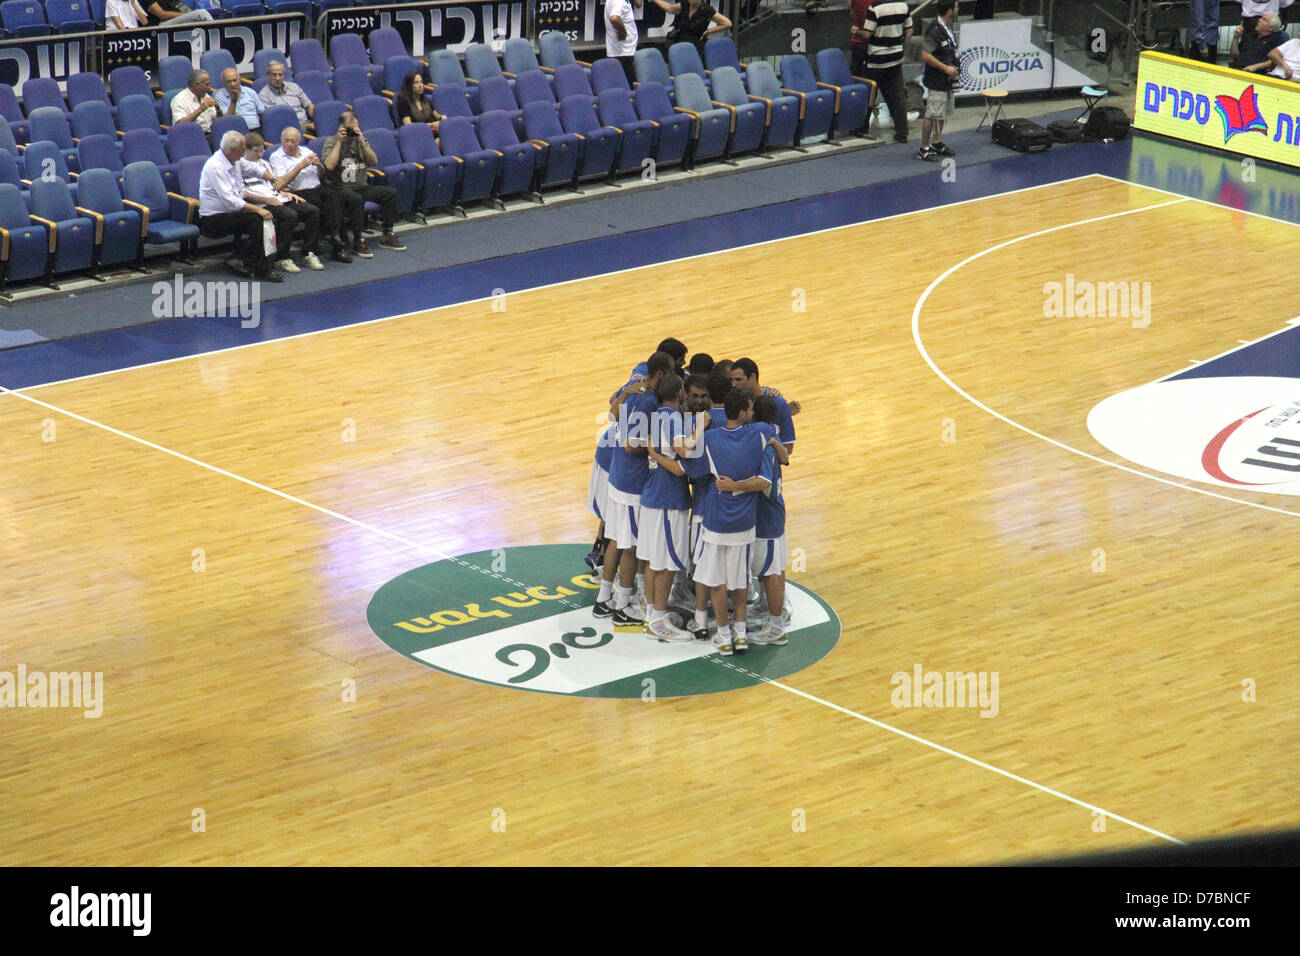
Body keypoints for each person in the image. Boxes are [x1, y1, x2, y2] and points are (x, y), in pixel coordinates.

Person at [594, 350, 674, 624]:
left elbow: (612, 412)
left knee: (617, 538)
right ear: (662, 372)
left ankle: (604, 598)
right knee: (631, 547)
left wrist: (626, 393)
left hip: (618, 475)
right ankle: (623, 606)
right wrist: (656, 447)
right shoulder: (650, 401)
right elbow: (631, 443)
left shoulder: (635, 390)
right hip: (632, 481)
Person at [694, 388, 772, 655]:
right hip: (744, 523)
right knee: (740, 581)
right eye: (749, 409)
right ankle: (741, 634)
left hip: (716, 521)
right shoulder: (761, 434)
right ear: (742, 413)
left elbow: (689, 460)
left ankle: (724, 636)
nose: (752, 413)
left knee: (717, 581)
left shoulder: (710, 438)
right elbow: (778, 455)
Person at [638, 373, 700, 642]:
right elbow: (680, 458)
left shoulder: (653, 415)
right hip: (667, 499)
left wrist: (654, 454)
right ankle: (657, 621)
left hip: (652, 496)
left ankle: (653, 615)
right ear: (680, 393)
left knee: (655, 561)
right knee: (666, 564)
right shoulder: (674, 419)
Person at [198, 130, 281, 283]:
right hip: (214, 218)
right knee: (261, 221)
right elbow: (230, 200)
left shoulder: (234, 159)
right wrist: (258, 209)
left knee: (266, 221)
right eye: (243, 148)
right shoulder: (216, 167)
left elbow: (253, 168)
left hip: (231, 213)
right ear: (234, 150)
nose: (245, 150)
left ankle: (247, 260)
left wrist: (273, 178)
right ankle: (255, 264)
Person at [320, 110, 405, 257]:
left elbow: (373, 161)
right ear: (341, 128)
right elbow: (329, 166)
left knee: (390, 193)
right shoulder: (332, 142)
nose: (353, 131)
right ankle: (358, 239)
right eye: (349, 129)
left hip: (362, 187)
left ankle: (387, 234)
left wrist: (362, 141)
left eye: (355, 127)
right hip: (341, 188)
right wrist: (340, 142)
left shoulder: (360, 141)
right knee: (356, 199)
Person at [239, 131, 323, 273]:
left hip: (276, 198)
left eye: (261, 151)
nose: (260, 154)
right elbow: (242, 193)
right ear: (246, 150)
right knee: (289, 215)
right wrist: (267, 199)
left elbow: (273, 186)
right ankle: (282, 258)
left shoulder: (264, 163)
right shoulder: (239, 167)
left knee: (311, 210)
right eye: (256, 151)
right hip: (260, 203)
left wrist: (286, 193)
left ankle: (308, 253)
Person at [269, 126, 352, 264]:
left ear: (299, 141)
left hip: (317, 188)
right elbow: (280, 184)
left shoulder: (307, 151)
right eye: (286, 141)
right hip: (296, 193)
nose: (289, 144)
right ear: (281, 141)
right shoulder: (277, 157)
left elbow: (322, 177)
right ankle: (318, 247)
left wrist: (319, 166)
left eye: (293, 141)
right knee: (319, 208)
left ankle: (336, 239)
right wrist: (300, 166)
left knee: (334, 196)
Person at [748, 394, 792, 645]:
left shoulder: (765, 447)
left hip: (769, 519)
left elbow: (763, 485)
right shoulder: (771, 441)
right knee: (768, 571)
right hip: (768, 517)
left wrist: (736, 485)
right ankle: (771, 613)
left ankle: (777, 626)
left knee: (773, 573)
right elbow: (785, 455)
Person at [854, 0, 913, 144]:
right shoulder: (903, 6)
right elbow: (909, 31)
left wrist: (855, 31)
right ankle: (902, 132)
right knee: (898, 95)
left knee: (869, 95)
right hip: (895, 58)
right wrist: (902, 50)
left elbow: (867, 35)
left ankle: (862, 128)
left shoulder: (875, 8)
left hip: (876, 59)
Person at [917, 1, 959, 162]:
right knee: (932, 114)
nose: (957, 9)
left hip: (947, 80)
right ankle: (924, 148)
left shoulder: (946, 28)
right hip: (937, 80)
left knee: (941, 114)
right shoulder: (935, 30)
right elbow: (925, 55)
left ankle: (936, 142)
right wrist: (945, 68)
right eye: (956, 7)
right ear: (949, 11)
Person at [729, 357, 796, 455]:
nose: (733, 384)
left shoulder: (778, 402)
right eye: (732, 380)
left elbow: (788, 447)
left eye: (738, 380)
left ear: (752, 377)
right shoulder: (732, 401)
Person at [650, 0, 731, 57]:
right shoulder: (685, 4)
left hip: (694, 48)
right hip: (679, 44)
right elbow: (669, 8)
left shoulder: (707, 10)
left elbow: (727, 23)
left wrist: (709, 31)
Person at [259, 60, 314, 132]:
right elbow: (274, 119)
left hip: (306, 122)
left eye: (280, 74)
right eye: (274, 75)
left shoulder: (294, 87)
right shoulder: (263, 95)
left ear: (284, 75)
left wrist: (316, 121)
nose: (277, 78)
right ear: (268, 75)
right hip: (287, 128)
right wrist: (303, 126)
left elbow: (309, 105)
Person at [214, 67, 264, 133]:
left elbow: (262, 112)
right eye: (228, 82)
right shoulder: (219, 96)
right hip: (235, 132)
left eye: (235, 80)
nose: (233, 84)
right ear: (224, 83)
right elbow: (225, 120)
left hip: (256, 130)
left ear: (239, 79)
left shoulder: (250, 92)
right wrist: (233, 102)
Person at [606, 0, 643, 87]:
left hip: (627, 51)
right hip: (622, 53)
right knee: (627, 88)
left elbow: (638, 4)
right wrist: (623, 32)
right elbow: (614, 18)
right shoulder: (618, 1)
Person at [396, 72, 440, 138]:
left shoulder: (426, 100)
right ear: (409, 86)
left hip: (432, 133)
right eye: (416, 83)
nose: (420, 85)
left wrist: (442, 118)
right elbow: (408, 125)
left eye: (421, 82)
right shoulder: (404, 103)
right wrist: (432, 125)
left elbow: (436, 115)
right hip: (417, 135)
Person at [144, 0, 212, 24]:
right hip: (161, 25)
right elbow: (162, 15)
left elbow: (179, 5)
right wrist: (187, 15)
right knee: (201, 14)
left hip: (175, 19)